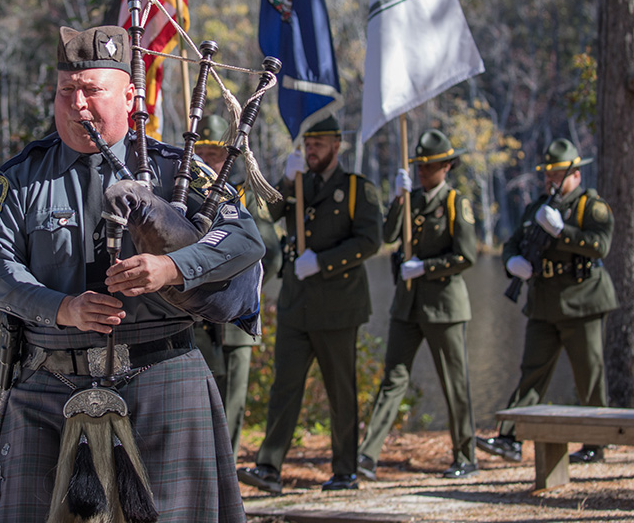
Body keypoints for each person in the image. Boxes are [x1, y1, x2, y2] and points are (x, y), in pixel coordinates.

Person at [0, 25, 265, 523]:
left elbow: (243, 241)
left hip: (162, 377)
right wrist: (61, 308)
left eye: (92, 91)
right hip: (48, 384)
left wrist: (172, 268)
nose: (78, 105)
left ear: (131, 96)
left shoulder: (179, 170)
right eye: (67, 92)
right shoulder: (19, 179)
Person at [238, 116, 382, 494]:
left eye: (319, 142)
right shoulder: (297, 185)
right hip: (296, 305)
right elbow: (268, 215)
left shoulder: (355, 189)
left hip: (338, 307)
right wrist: (284, 183)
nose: (311, 148)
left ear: (337, 144)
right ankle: (269, 467)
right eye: (307, 142)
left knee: (341, 391)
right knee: (284, 388)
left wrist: (323, 260)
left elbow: (370, 241)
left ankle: (345, 471)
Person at [476, 138, 616, 465]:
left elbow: (600, 246)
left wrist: (562, 231)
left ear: (576, 175)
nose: (552, 179)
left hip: (583, 302)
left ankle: (596, 442)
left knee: (589, 376)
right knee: (531, 373)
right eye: (548, 173)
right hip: (543, 304)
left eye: (558, 173)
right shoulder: (536, 208)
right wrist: (512, 263)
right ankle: (509, 437)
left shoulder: (590, 208)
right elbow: (512, 243)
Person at [357, 129, 479, 481]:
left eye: (430, 166)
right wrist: (397, 199)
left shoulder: (456, 202)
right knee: (393, 378)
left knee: (454, 381)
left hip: (444, 305)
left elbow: (466, 255)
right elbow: (389, 236)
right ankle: (368, 455)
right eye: (420, 166)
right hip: (407, 305)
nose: (423, 172)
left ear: (447, 166)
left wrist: (426, 267)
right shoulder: (410, 200)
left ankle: (465, 454)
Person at [191, 114, 284, 457]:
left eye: (215, 155)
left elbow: (271, 254)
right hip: (198, 317)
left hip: (236, 317)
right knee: (200, 398)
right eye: (201, 153)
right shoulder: (185, 194)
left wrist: (244, 287)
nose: (209, 162)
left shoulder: (244, 195)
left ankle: (227, 472)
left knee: (233, 400)